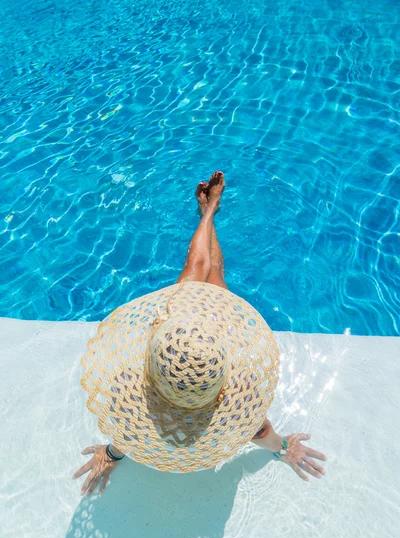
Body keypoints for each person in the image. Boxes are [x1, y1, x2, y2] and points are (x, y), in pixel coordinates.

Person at [73, 171, 327, 495]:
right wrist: (283, 448)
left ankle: (209, 210)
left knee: (201, 265)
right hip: (208, 330)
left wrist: (110, 455)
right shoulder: (240, 396)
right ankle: (209, 210)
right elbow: (260, 431)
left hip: (184, 324)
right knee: (213, 269)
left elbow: (128, 431)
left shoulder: (135, 386)